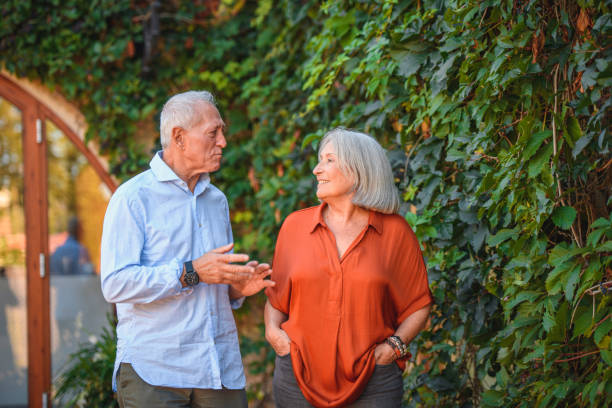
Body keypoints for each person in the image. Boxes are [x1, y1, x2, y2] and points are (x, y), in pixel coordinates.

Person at [100, 90, 274, 408]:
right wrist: (190, 271)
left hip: (219, 370)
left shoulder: (217, 200)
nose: (223, 141)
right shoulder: (132, 198)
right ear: (179, 137)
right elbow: (115, 284)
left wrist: (237, 289)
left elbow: (213, 283)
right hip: (156, 374)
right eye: (213, 132)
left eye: (222, 131)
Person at [264, 128, 433, 407]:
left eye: (329, 160)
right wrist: (275, 335)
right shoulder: (294, 227)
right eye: (320, 160)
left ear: (359, 169)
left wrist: (393, 348)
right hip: (296, 379)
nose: (317, 169)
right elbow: (277, 299)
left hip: (374, 383)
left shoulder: (395, 232)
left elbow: (418, 304)